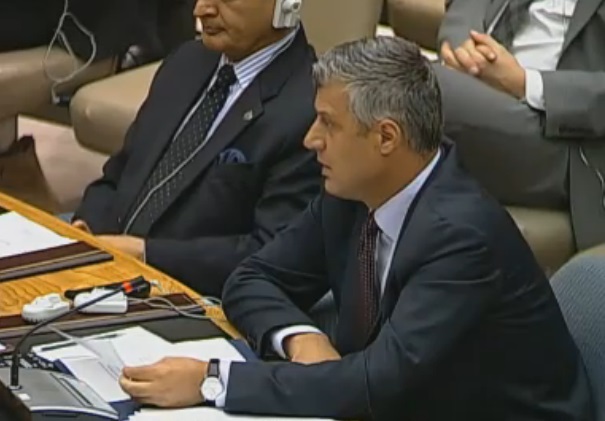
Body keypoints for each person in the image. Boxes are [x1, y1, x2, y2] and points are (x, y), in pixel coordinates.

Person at [118, 37, 593, 420]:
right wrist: (302, 338)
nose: (311, 140)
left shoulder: (461, 236)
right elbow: (251, 276)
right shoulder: (351, 193)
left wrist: (212, 381)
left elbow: (376, 383)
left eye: (327, 124)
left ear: (386, 136)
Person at [72, 0, 320, 296]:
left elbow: (271, 254)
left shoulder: (311, 110)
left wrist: (146, 254)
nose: (201, 10)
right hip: (106, 267)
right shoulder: (187, 60)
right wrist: (86, 227)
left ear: (286, 4)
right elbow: (120, 171)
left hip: (186, 298)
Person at [433, 0, 605, 251]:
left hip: (568, 135)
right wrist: (465, 50)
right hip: (478, 85)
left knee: (412, 87)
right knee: (390, 80)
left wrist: (525, 83)